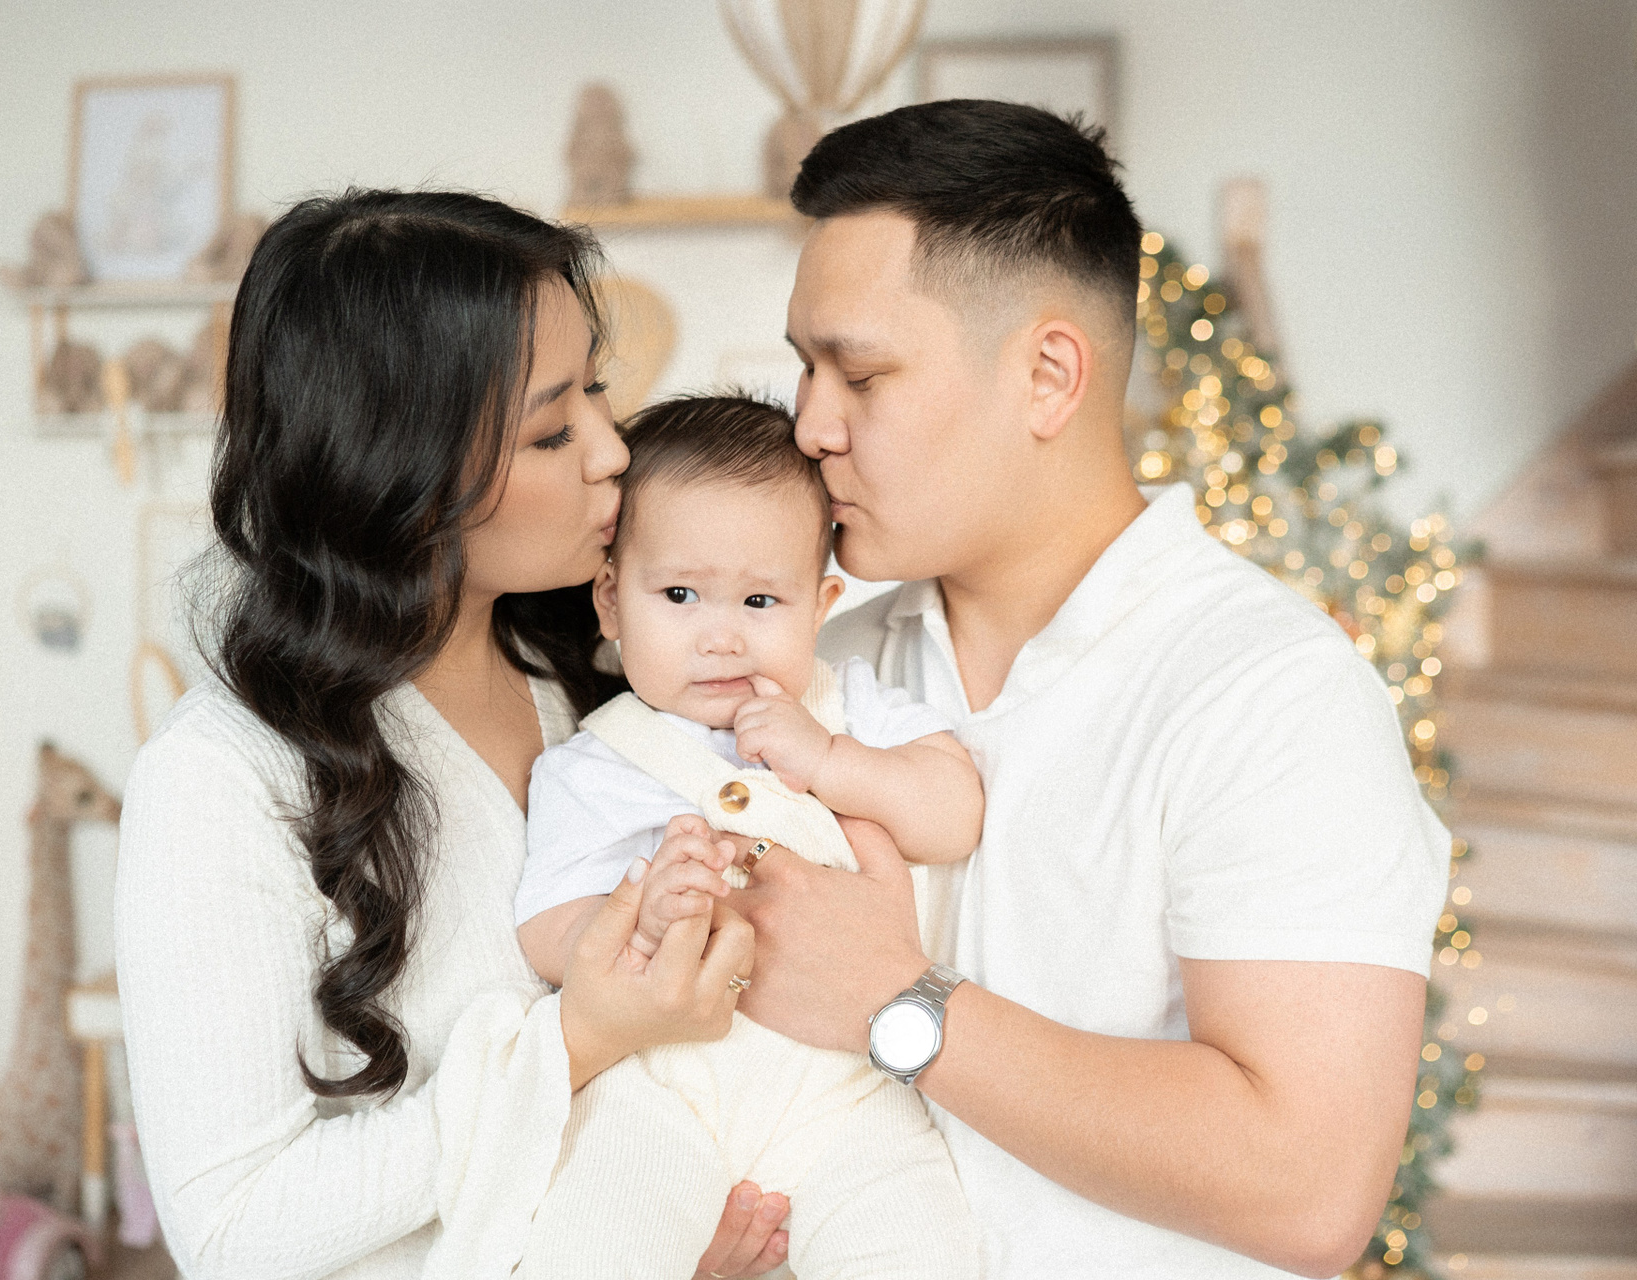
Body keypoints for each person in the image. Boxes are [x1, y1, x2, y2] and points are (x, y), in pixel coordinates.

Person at [723, 100, 1451, 1279]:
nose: (809, 424)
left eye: (859, 373)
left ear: (1049, 375)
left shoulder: (1270, 694)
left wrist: (896, 999)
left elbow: (1308, 1185)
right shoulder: (809, 667)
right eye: (805, 368)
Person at [113, 189, 789, 1280]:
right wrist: (575, 1041)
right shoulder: (223, 777)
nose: (613, 452)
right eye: (552, 429)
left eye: (598, 391)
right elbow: (233, 1230)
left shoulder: (595, 678)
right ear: (398, 471)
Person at [513, 395, 982, 1278]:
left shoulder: (848, 707)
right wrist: (641, 919)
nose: (721, 636)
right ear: (611, 600)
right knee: (592, 1240)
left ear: (821, 605)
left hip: (849, 1089)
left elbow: (953, 813)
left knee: (920, 1245)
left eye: (761, 600)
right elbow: (544, 929)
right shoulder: (592, 763)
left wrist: (835, 761)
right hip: (664, 1088)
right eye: (679, 595)